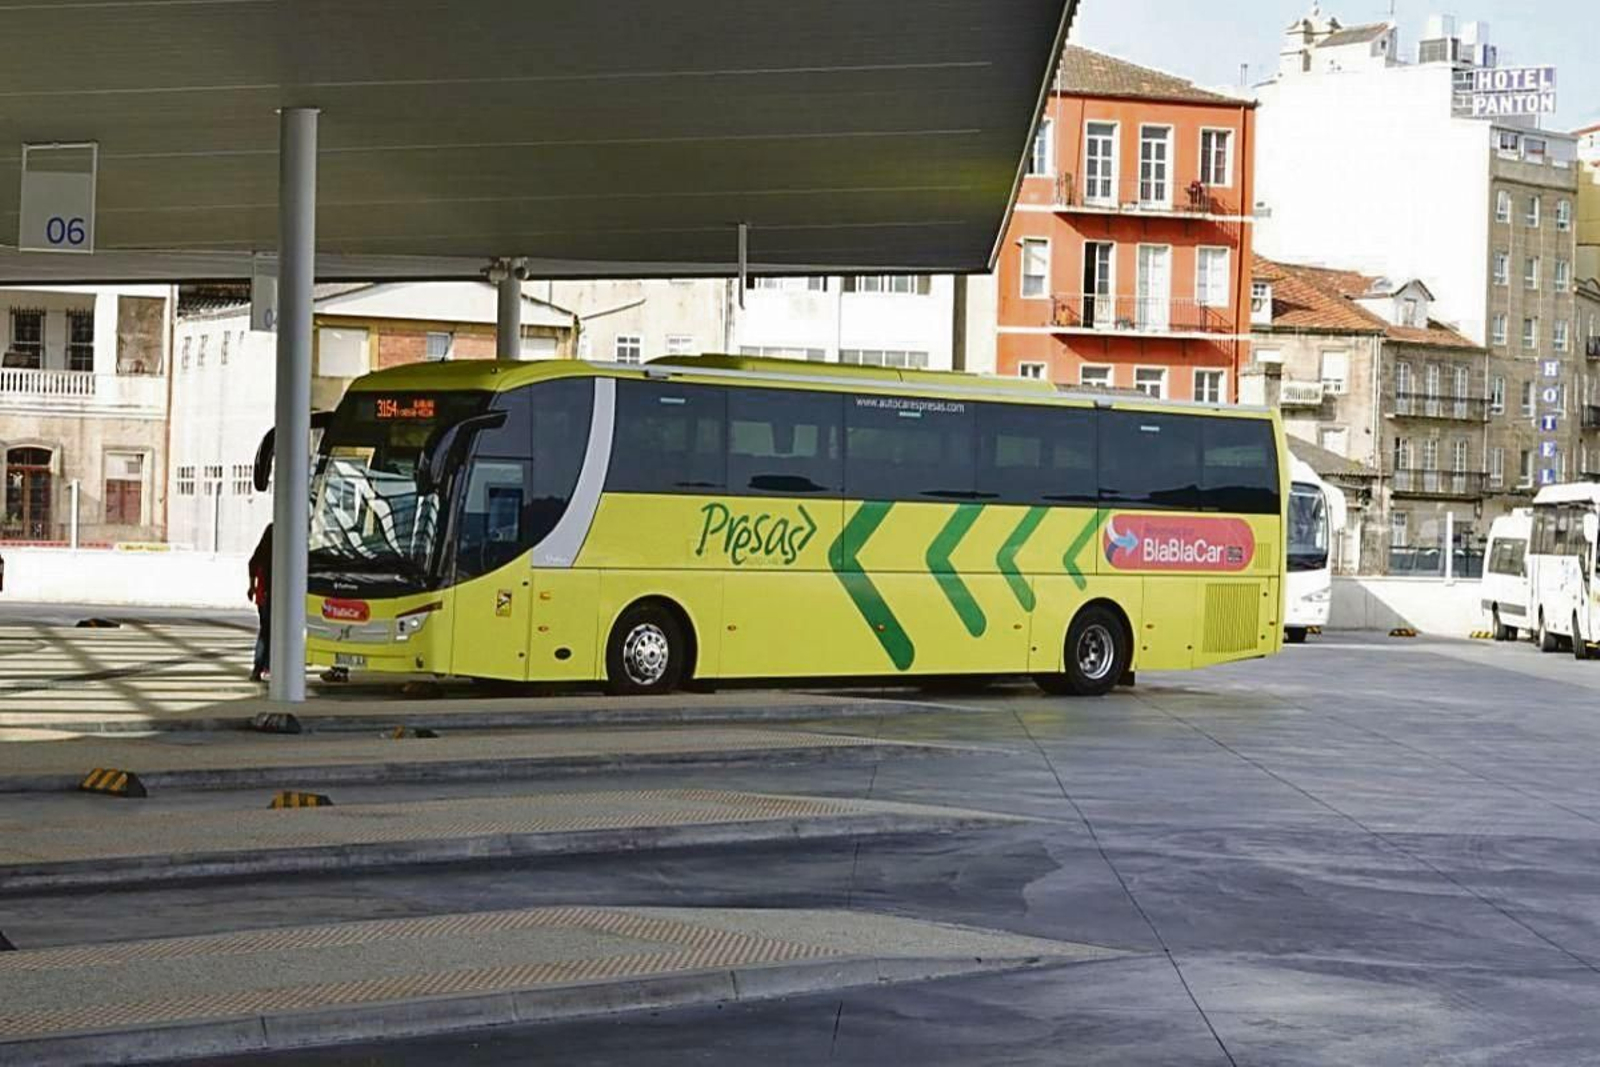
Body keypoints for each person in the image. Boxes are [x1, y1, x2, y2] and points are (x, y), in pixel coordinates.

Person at [248, 524, 272, 683]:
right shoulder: (284, 551)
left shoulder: (262, 551)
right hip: (273, 596)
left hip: (262, 595)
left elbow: (251, 564)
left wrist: (251, 587)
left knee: (265, 630)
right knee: (271, 632)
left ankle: (258, 668)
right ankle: (266, 667)